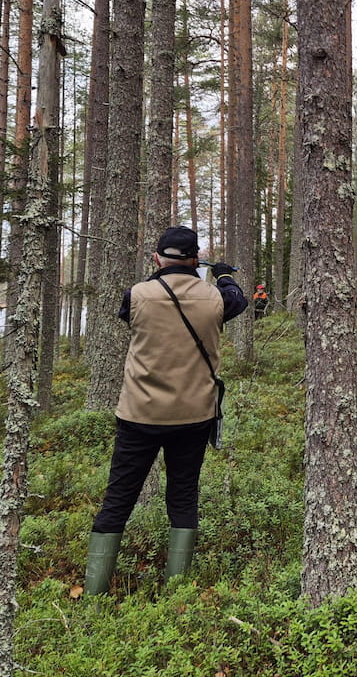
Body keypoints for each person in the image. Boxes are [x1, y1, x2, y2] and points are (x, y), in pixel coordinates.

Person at [83, 226, 247, 596]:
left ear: (158, 258)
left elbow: (132, 310)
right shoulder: (215, 298)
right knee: (183, 495)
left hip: (139, 414)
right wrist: (221, 275)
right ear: (195, 259)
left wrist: (159, 276)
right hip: (194, 414)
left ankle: (93, 597)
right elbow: (237, 299)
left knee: (118, 499)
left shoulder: (137, 295)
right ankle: (176, 592)